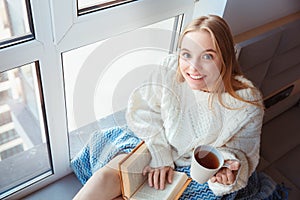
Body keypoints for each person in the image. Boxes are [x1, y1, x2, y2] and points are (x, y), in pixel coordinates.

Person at [72, 15, 266, 200]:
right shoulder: (170, 68)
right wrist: (160, 155)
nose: (193, 67)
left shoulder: (247, 104)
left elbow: (241, 152)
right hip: (156, 142)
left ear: (225, 57)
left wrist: (225, 171)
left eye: (207, 56)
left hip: (194, 169)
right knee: (105, 178)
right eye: (186, 55)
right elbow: (144, 111)